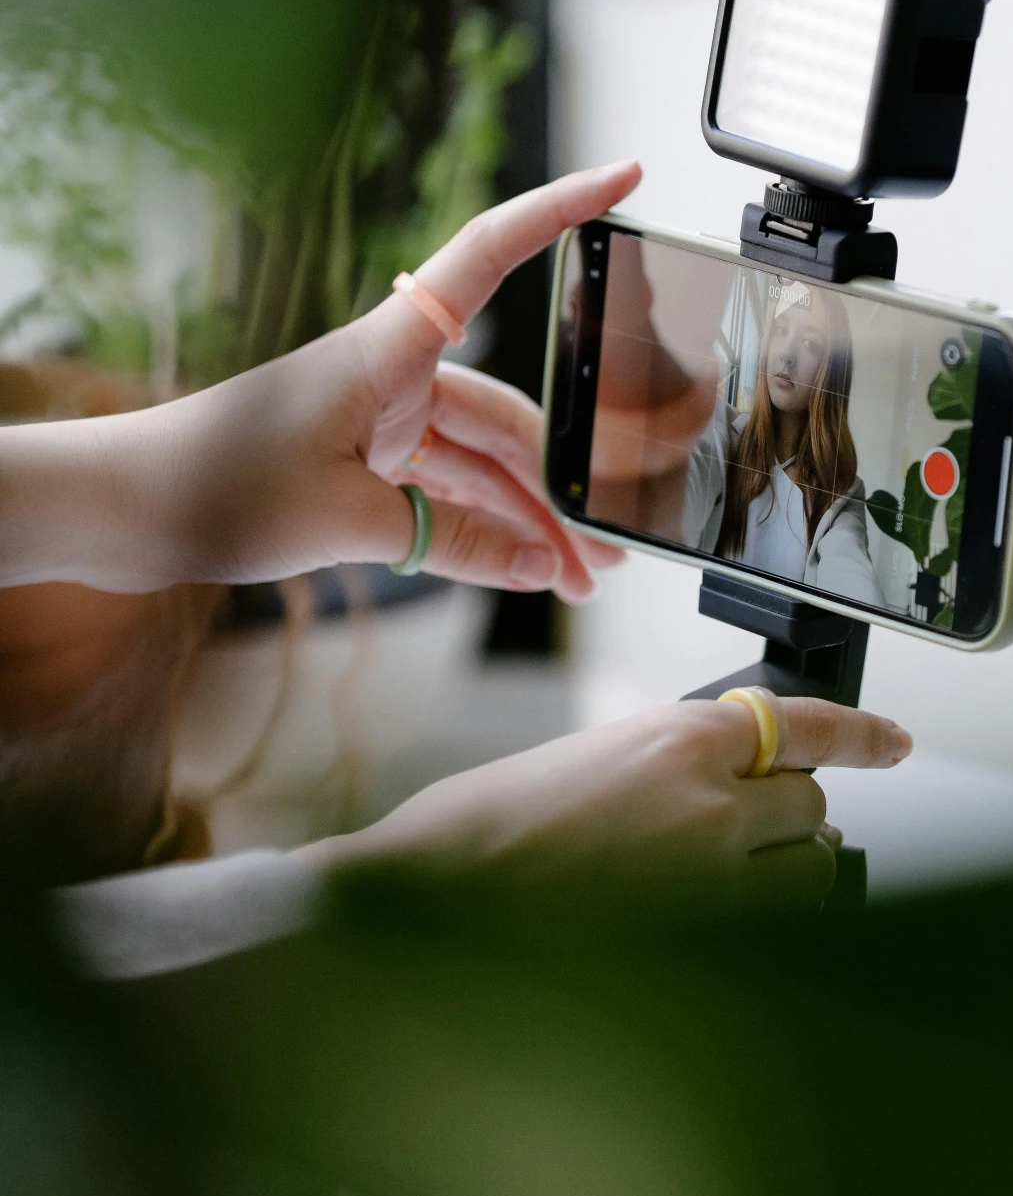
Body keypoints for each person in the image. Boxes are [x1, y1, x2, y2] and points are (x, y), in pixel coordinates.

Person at [0, 160, 911, 947]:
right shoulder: (737, 462)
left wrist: (152, 486)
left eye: (806, 341)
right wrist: (450, 864)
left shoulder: (841, 513)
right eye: (778, 332)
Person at [683, 278, 882, 607]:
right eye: (781, 329)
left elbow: (851, 573)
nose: (786, 354)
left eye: (810, 344)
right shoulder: (720, 429)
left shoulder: (842, 493)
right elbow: (682, 498)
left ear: (830, 371)